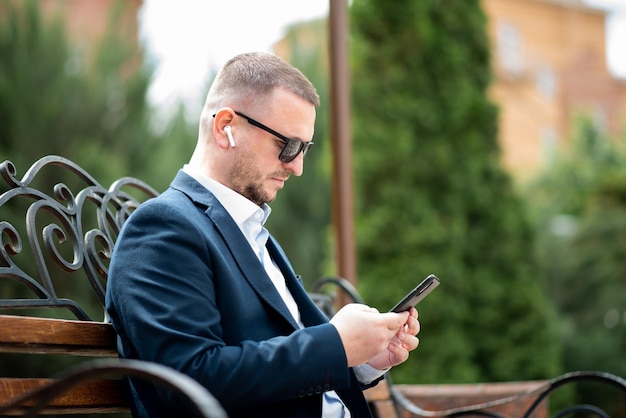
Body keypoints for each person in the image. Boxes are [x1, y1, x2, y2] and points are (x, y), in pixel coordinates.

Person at [105, 51, 420, 418]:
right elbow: (192, 380)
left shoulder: (252, 232)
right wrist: (334, 345)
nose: (297, 166)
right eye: (287, 145)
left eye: (304, 148)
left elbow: (288, 360)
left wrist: (364, 359)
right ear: (226, 127)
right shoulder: (163, 227)